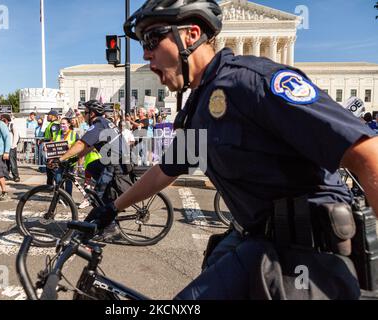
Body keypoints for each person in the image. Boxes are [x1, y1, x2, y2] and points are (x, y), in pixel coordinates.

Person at [83, 0, 378, 300]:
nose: (145, 54)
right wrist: (111, 209)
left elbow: (369, 154)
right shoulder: (198, 108)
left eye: (152, 39)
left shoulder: (253, 82)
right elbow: (164, 171)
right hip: (258, 240)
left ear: (190, 34)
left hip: (309, 258)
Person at [59, 100, 131, 238]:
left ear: (92, 113)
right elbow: (90, 146)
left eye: (85, 113)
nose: (83, 116)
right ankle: (108, 202)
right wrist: (75, 158)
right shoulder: (104, 123)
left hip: (114, 162)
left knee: (97, 194)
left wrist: (62, 158)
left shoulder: (98, 124)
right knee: (91, 166)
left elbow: (81, 143)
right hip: (114, 160)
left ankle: (110, 226)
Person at [49, 118, 77, 195]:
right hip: (59, 161)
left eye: (64, 124)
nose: (62, 125)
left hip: (69, 161)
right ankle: (62, 195)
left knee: (68, 181)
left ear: (69, 124)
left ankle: (68, 197)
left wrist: (70, 146)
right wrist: (47, 147)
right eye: (61, 124)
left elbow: (78, 146)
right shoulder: (57, 133)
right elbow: (52, 143)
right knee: (58, 179)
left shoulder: (74, 134)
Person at [0, 114, 21, 182]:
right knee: (5, 162)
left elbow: (16, 135)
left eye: (2, 119)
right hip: (4, 147)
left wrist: (13, 145)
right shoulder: (1, 126)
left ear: (6, 119)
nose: (1, 120)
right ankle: (6, 175)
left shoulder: (12, 126)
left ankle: (16, 176)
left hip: (11, 147)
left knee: (12, 162)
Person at [43, 110, 61, 185]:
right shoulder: (51, 124)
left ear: (53, 116)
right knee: (49, 169)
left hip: (51, 149)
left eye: (48, 115)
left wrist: (48, 147)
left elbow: (54, 138)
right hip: (49, 148)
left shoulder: (54, 125)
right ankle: (50, 186)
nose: (47, 116)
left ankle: (57, 188)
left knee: (52, 168)